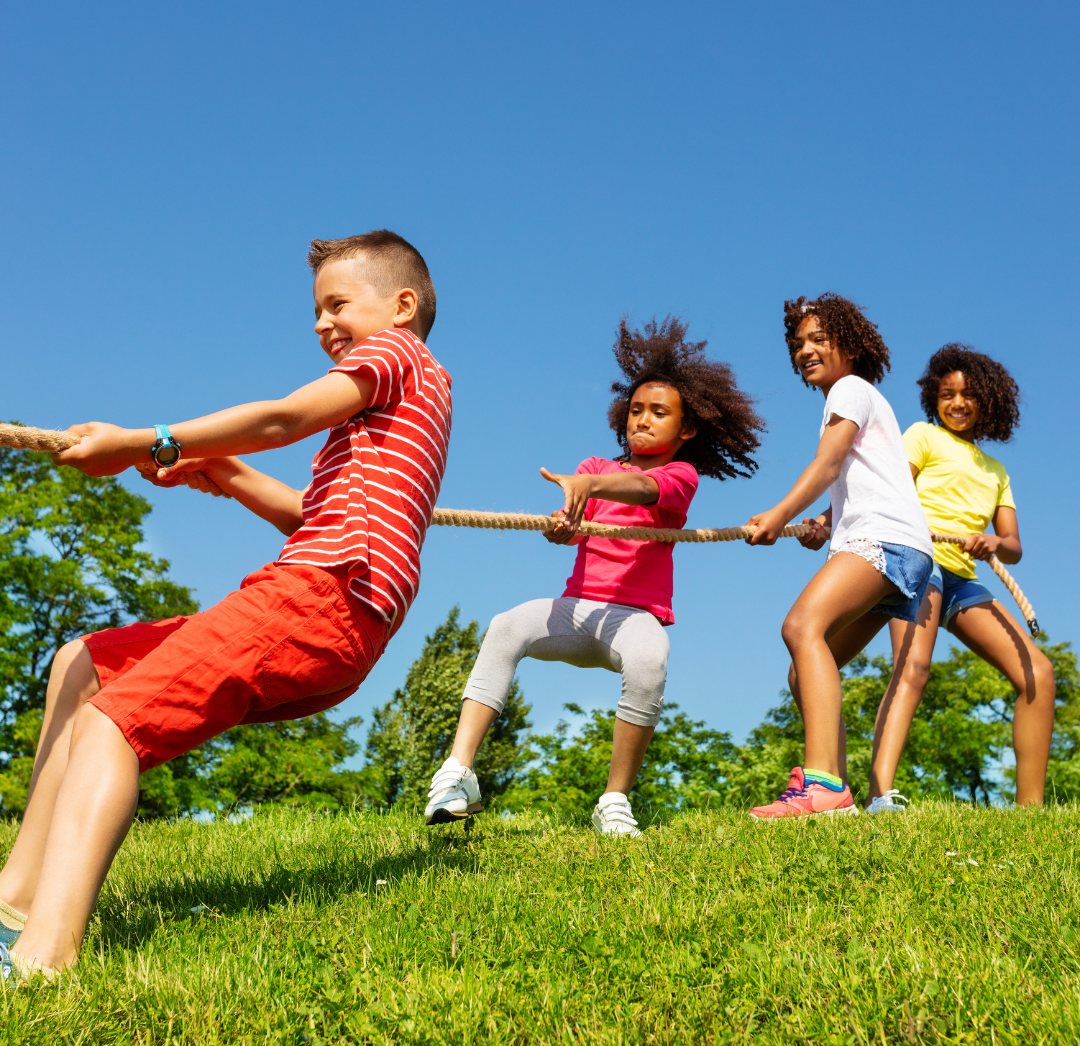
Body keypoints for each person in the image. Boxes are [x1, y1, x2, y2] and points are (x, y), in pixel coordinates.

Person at [0, 230, 451, 980]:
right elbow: (312, 514)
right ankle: (13, 900)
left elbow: (283, 418)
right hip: (328, 602)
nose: (320, 324)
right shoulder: (387, 421)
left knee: (111, 723)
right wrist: (226, 471)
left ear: (402, 307)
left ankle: (46, 959)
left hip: (324, 596)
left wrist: (153, 440)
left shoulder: (398, 357)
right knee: (83, 664)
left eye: (337, 303)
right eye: (315, 310)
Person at [424, 317, 763, 836]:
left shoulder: (678, 476)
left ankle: (614, 800)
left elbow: (644, 491)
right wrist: (562, 528)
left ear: (686, 428)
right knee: (505, 625)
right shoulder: (592, 467)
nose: (642, 420)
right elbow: (574, 528)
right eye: (635, 411)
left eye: (658, 413)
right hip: (578, 612)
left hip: (633, 620)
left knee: (651, 659)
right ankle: (457, 773)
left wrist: (591, 484)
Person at [745, 294, 934, 819]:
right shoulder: (862, 399)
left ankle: (823, 783)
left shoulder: (849, 390)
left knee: (800, 626)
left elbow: (828, 464)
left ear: (849, 345)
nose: (805, 350)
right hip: (900, 551)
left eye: (818, 340)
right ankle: (839, 800)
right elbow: (865, 480)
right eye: (797, 343)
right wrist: (824, 525)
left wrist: (779, 513)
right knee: (803, 669)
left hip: (884, 543)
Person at [863, 344, 1054, 812]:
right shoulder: (923, 437)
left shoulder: (996, 472)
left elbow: (1014, 545)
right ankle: (879, 796)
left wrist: (991, 541)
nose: (958, 404)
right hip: (919, 563)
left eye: (969, 396)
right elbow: (890, 492)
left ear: (988, 402)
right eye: (947, 394)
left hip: (962, 579)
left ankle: (1031, 812)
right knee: (914, 667)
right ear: (934, 398)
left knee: (1039, 674)